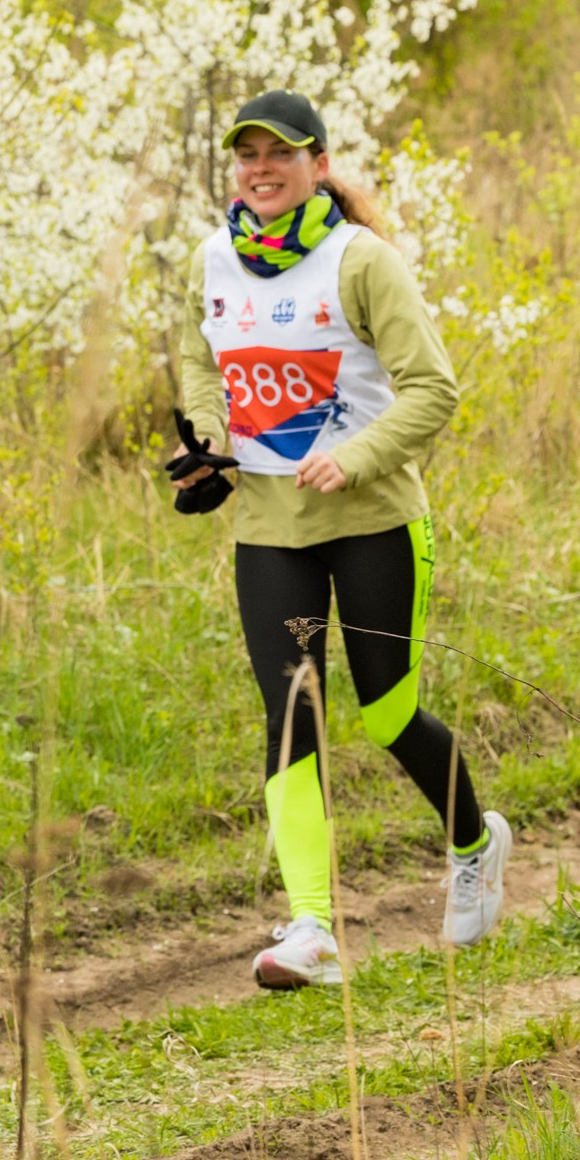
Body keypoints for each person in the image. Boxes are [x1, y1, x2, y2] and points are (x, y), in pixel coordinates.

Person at [170, 90, 512, 989]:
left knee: (387, 711)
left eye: (278, 153)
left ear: (318, 163)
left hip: (375, 521)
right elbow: (203, 366)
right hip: (269, 529)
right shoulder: (213, 259)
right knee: (291, 716)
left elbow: (433, 389)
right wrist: (205, 443)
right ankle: (312, 928)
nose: (260, 169)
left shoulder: (363, 262)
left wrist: (355, 457)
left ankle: (474, 842)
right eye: (245, 155)